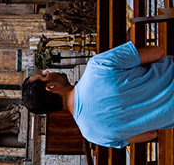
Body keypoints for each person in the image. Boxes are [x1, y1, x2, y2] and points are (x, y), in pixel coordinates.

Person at [24, 39, 174, 147]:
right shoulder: (96, 67)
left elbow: (151, 134)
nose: (48, 72)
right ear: (51, 87)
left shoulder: (92, 135)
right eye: (44, 75)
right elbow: (157, 52)